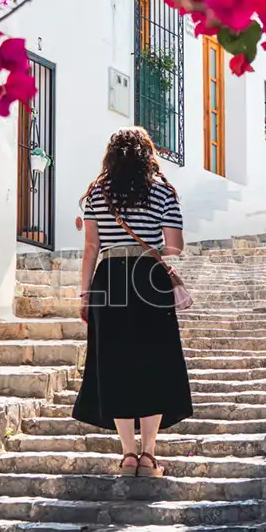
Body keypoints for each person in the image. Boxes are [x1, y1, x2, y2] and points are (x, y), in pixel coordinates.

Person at [72, 127, 193, 477]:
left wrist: (85, 294)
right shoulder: (163, 190)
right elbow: (175, 247)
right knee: (155, 360)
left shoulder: (98, 192)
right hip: (148, 278)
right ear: (147, 154)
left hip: (109, 279)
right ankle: (150, 455)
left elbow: (91, 248)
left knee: (115, 364)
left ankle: (127, 455)